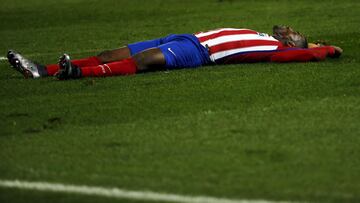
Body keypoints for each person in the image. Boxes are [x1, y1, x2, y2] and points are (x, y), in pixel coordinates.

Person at [7, 25, 343, 80]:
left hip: (198, 52)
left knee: (145, 61)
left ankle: (76, 73)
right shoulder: (262, 34)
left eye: (295, 33)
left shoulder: (273, 50)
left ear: (291, 44)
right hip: (185, 37)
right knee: (110, 52)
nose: (288, 29)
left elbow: (308, 54)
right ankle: (43, 70)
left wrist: (323, 49)